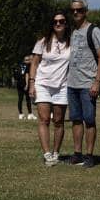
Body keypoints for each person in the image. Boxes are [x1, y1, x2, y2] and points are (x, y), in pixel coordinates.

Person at [66, 0, 100, 167]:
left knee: (89, 120)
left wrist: (97, 81)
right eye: (73, 10)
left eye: (79, 10)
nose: (76, 12)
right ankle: (77, 153)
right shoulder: (73, 32)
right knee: (75, 120)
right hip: (72, 83)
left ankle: (89, 155)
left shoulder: (94, 30)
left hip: (87, 83)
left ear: (85, 11)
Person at [29, 11, 71, 166]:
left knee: (59, 121)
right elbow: (34, 62)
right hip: (43, 84)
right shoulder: (43, 42)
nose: (58, 24)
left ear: (66, 24)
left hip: (62, 86)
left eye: (61, 21)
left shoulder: (71, 42)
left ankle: (56, 153)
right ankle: (47, 154)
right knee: (44, 119)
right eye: (55, 22)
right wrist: (32, 83)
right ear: (52, 25)